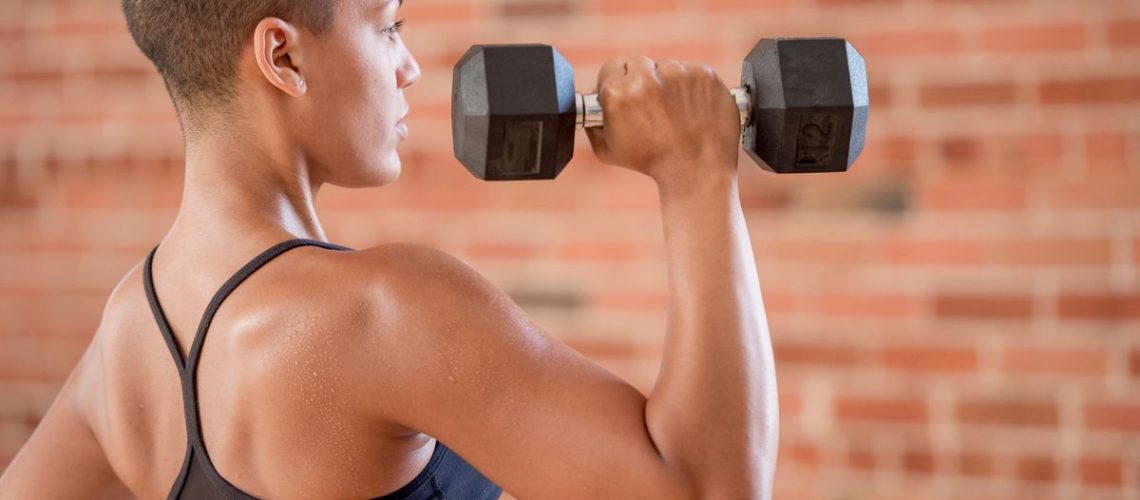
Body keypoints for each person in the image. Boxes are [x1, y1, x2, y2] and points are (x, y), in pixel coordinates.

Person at [0, 0, 777, 498]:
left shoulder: (126, 331)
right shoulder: (382, 310)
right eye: (387, 26)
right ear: (283, 57)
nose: (407, 67)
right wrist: (696, 173)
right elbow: (712, 487)